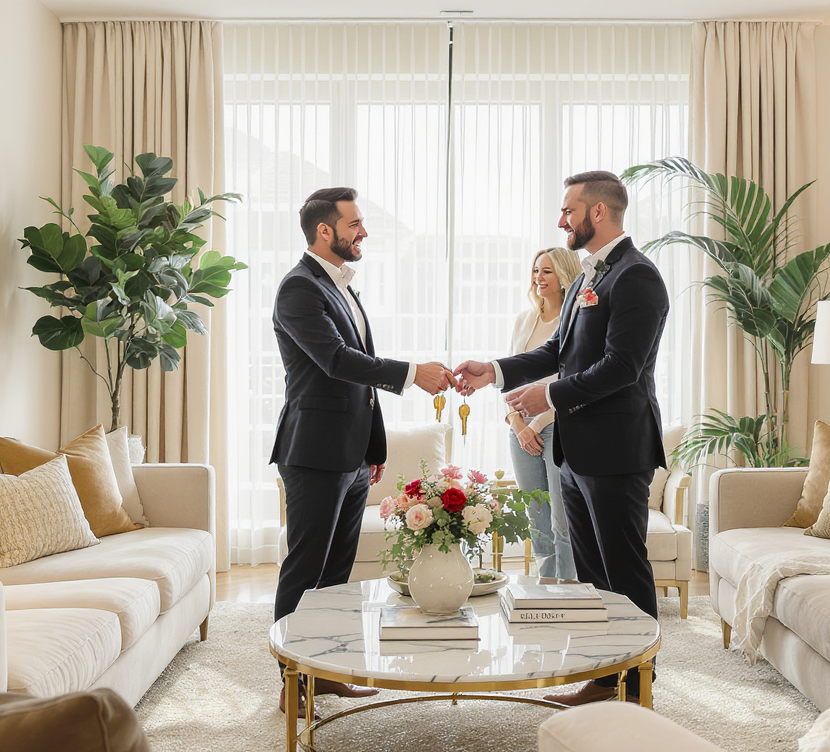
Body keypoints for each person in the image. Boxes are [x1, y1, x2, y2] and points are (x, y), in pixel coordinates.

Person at [454, 171, 668, 706]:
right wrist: (495, 371)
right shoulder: (586, 279)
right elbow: (557, 354)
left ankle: (638, 684)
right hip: (575, 450)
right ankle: (603, 678)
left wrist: (547, 399)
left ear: (598, 212)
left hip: (617, 449)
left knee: (623, 568)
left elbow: (623, 367)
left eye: (568, 209)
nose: (560, 220)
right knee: (594, 577)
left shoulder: (637, 277)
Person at [271, 187, 453, 716]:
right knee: (305, 569)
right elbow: (335, 361)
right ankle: (292, 683)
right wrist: (412, 374)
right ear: (324, 231)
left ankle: (325, 671)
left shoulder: (343, 286)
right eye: (355, 223)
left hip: (351, 454)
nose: (363, 232)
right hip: (313, 451)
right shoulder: (298, 289)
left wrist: (373, 447)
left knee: (335, 575)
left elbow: (360, 384)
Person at [506, 247, 583, 581]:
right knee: (536, 517)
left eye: (547, 271)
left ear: (563, 274)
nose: (539, 278)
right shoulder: (525, 320)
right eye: (536, 270)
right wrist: (517, 423)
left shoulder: (573, 319)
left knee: (561, 520)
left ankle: (569, 593)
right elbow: (511, 376)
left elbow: (567, 382)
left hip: (556, 427)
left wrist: (534, 424)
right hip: (519, 429)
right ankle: (546, 587)